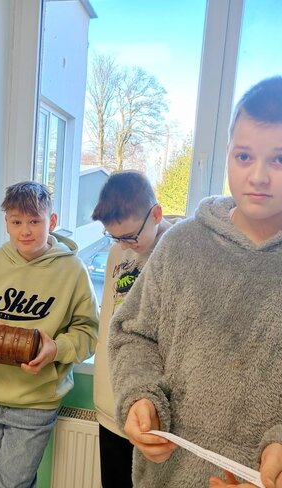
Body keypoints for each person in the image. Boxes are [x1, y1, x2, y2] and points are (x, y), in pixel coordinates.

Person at [108, 76, 282, 488]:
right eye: (243, 156)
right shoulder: (180, 246)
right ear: (228, 153)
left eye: (280, 159)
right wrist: (139, 395)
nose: (258, 176)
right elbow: (134, 336)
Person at [0, 181, 99, 488]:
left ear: (52, 221)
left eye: (35, 221)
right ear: (6, 222)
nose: (25, 231)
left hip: (36, 403)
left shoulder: (73, 272)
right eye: (16, 222)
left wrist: (55, 349)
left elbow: (89, 333)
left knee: (12, 483)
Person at [90, 170, 181, 487]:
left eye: (130, 236)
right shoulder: (118, 251)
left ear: (156, 214)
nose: (124, 245)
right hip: (111, 407)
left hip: (154, 412)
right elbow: (110, 322)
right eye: (114, 237)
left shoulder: (181, 253)